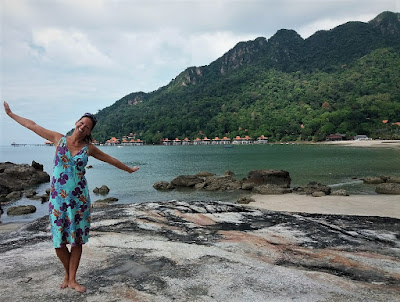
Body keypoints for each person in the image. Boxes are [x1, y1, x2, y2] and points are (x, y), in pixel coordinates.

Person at [3, 101, 139, 293]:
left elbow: (111, 159)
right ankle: (68, 275)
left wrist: (129, 170)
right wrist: (11, 114)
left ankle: (72, 279)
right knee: (58, 242)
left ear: (89, 131)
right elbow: (32, 125)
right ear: (76, 122)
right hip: (58, 199)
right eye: (82, 123)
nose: (83, 127)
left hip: (79, 200)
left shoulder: (89, 148)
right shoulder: (58, 139)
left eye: (87, 127)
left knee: (76, 240)